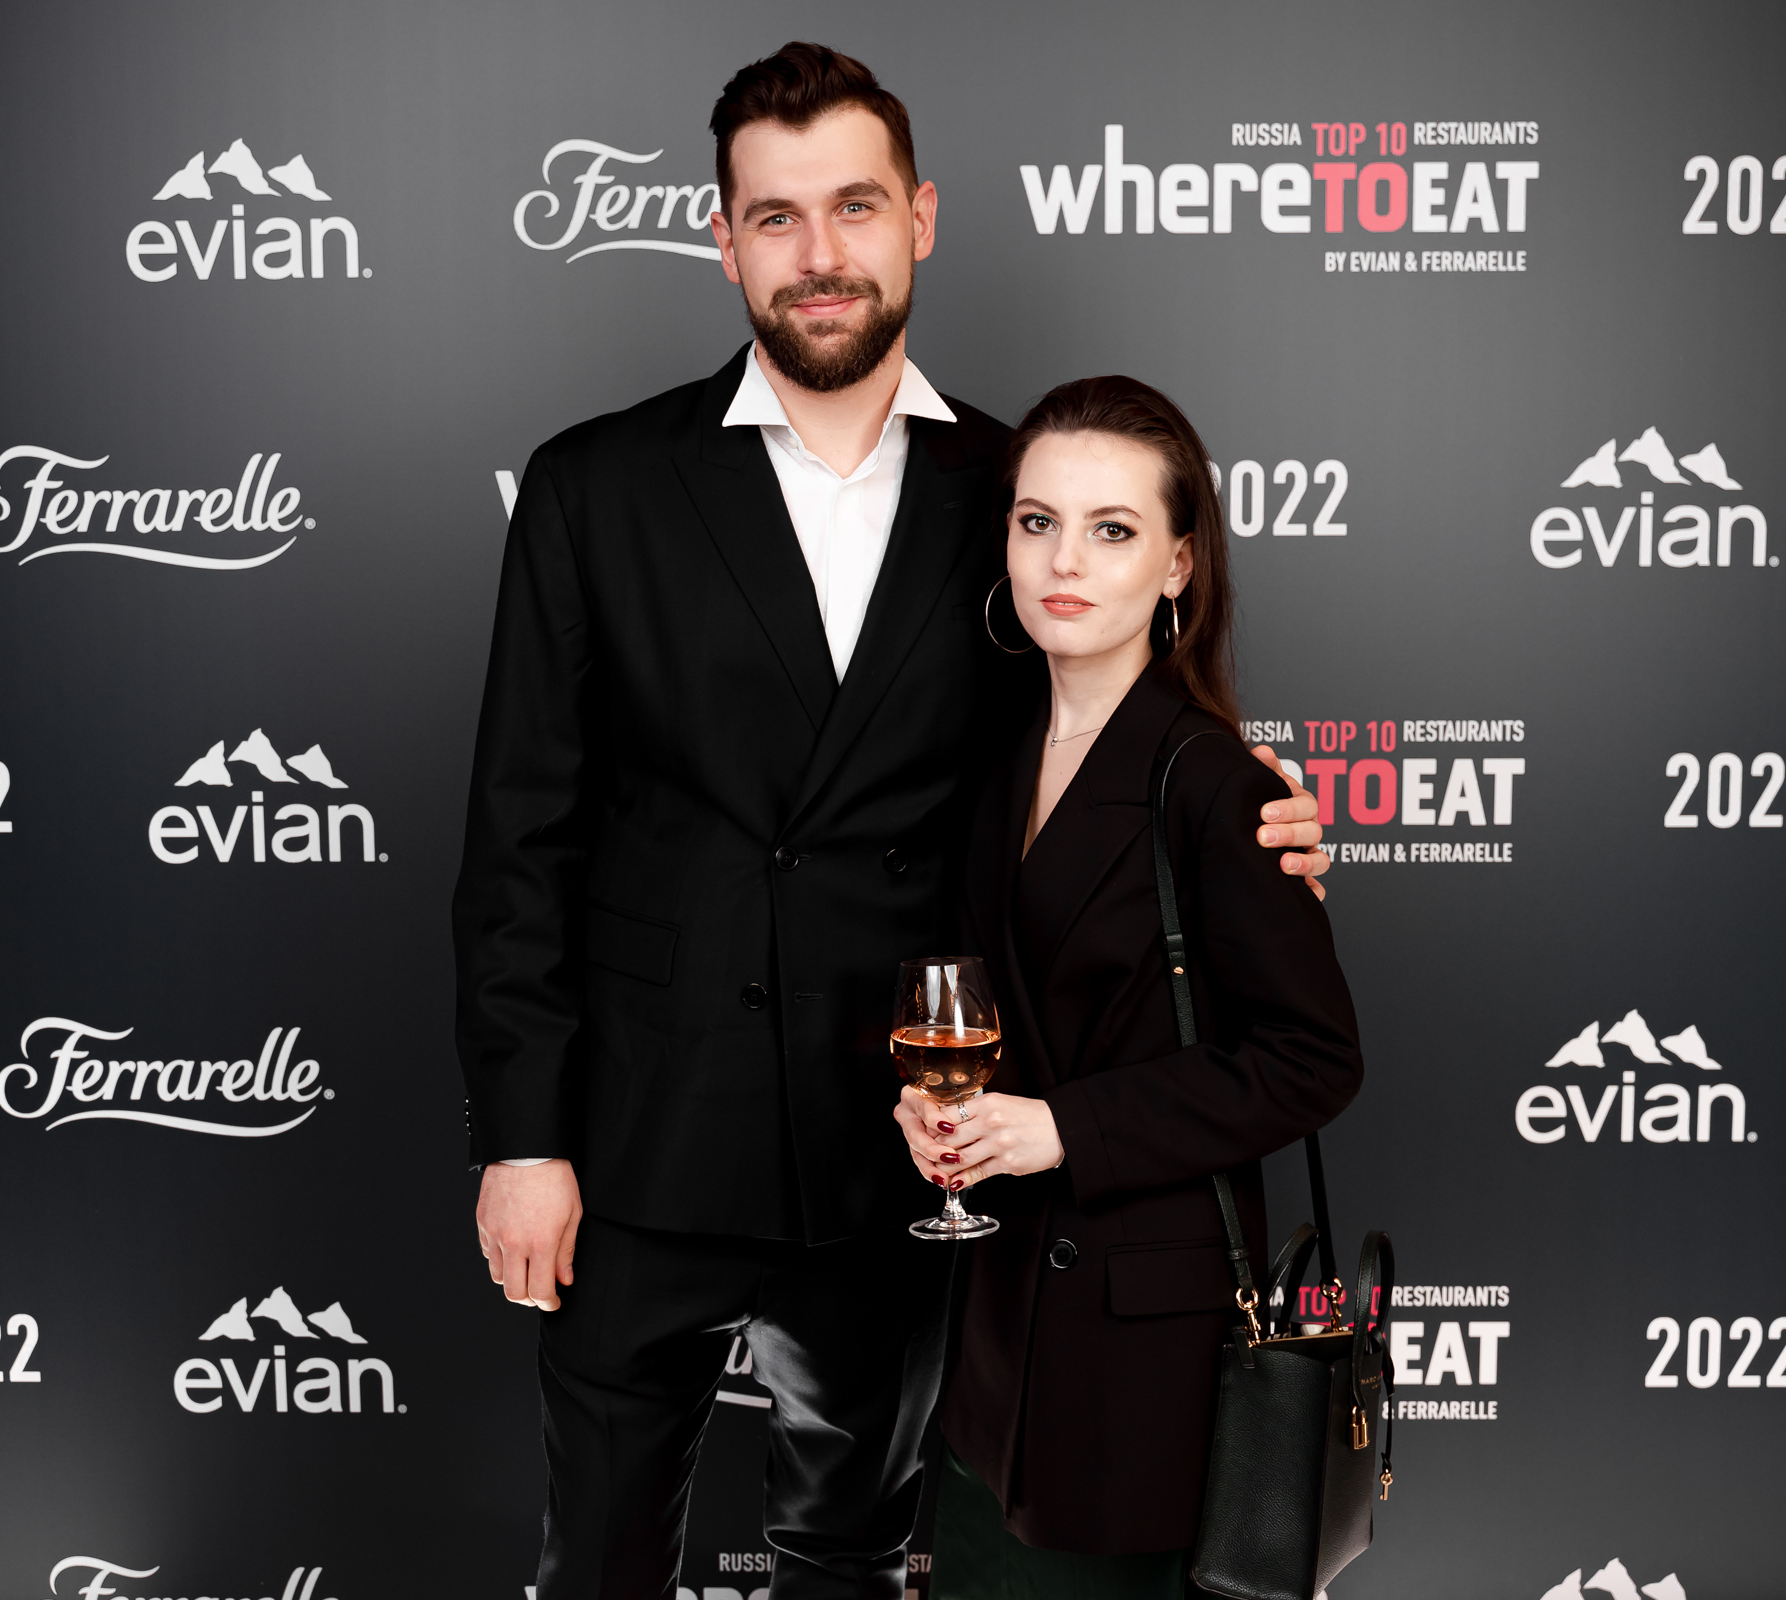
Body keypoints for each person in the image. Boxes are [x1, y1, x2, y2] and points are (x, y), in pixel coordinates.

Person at [452, 45, 1330, 1600]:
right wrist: (524, 1137)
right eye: (775, 217)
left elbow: (1101, 724)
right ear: (724, 241)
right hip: (640, 1136)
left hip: (903, 1152)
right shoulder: (596, 486)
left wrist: (1239, 807)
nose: (820, 253)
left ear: (918, 217)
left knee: (853, 1558)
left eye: (854, 207)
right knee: (596, 1562)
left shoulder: (1016, 490)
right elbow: (520, 839)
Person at [894, 376, 1366, 1595]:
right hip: (991, 1359)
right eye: (1037, 521)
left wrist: (1063, 1127)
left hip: (1142, 1369)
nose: (1065, 560)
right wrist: (927, 1112)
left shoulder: (1217, 782)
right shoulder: (996, 764)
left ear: (1178, 565)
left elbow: (1312, 1060)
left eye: (1113, 529)